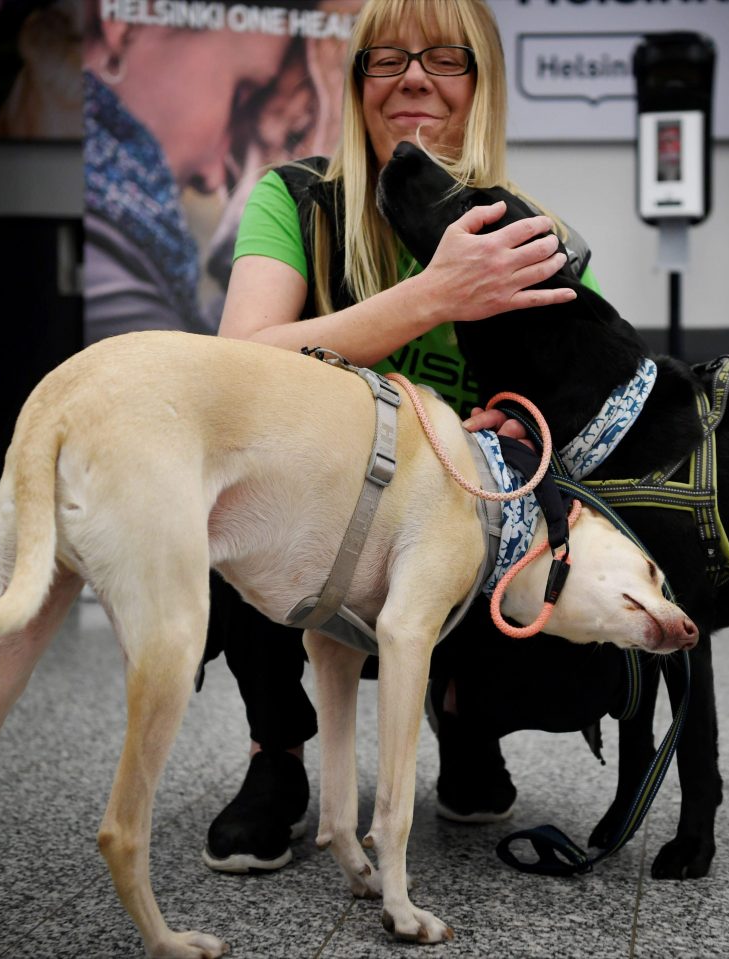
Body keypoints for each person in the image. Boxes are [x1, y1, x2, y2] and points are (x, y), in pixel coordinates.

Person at [202, 0, 603, 873]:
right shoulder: (297, 199)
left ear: (481, 85)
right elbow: (238, 365)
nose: (413, 76)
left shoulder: (530, 238)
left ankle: (466, 718)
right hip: (309, 526)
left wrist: (526, 436)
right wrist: (432, 296)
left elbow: (585, 415)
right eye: (385, 60)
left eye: (444, 59)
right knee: (236, 487)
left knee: (559, 535)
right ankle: (277, 755)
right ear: (356, 86)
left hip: (454, 534)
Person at [81, 10, 301, 341]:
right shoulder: (104, 258)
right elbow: (182, 377)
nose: (212, 179)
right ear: (125, 21)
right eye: (243, 93)